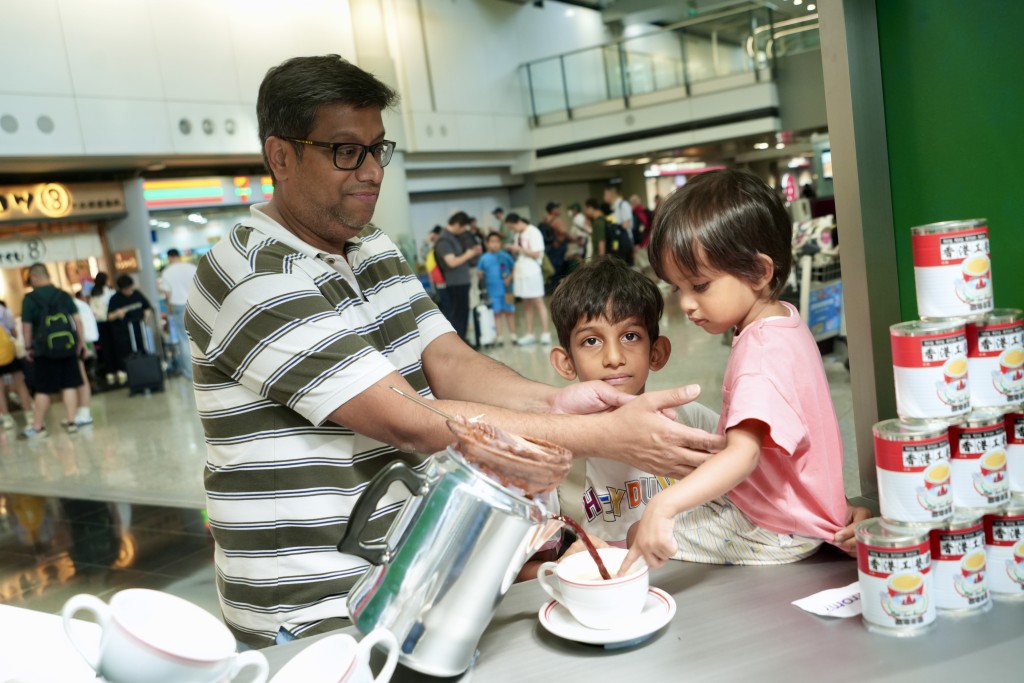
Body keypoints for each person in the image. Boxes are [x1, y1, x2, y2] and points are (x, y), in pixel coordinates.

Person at [186, 54, 722, 648]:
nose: (370, 172)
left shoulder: (370, 247)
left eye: (378, 149)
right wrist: (597, 436)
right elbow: (405, 419)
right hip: (311, 602)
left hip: (402, 573)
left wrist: (562, 401)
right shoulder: (252, 273)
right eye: (345, 150)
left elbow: (448, 361)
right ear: (280, 155)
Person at [621, 169, 866, 574]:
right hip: (798, 506)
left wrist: (664, 506)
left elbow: (744, 455)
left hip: (774, 526)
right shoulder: (781, 318)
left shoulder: (760, 356)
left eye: (699, 286)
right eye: (677, 288)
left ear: (759, 271)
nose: (684, 304)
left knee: (638, 534)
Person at [549, 257, 720, 547]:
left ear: (657, 353)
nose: (614, 358)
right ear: (566, 363)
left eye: (630, 336)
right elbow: (531, 561)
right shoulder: (559, 450)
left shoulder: (692, 423)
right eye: (591, 341)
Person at [19, 263, 84, 438]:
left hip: (44, 350)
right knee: (69, 384)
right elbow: (77, 321)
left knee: (43, 388)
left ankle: (38, 426)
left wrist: (27, 348)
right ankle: (71, 421)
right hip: (67, 347)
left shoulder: (30, 299)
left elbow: (27, 327)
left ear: (33, 278)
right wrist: (81, 342)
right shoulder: (63, 295)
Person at [505, 212, 552, 346]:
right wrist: (514, 249)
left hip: (532, 272)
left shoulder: (534, 232)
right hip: (521, 272)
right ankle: (530, 333)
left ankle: (545, 333)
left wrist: (519, 248)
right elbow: (519, 252)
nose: (512, 230)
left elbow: (537, 253)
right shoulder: (518, 235)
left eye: (512, 227)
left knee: (538, 301)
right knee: (526, 304)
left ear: (518, 221)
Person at [434, 211, 481, 341]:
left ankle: (463, 340)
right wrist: (469, 254)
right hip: (455, 283)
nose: (463, 231)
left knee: (463, 314)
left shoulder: (452, 237)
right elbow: (452, 262)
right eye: (463, 228)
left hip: (461, 282)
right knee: (458, 316)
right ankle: (460, 343)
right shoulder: (444, 240)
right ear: (457, 224)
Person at [108, 274, 153, 385]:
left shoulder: (137, 294)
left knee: (143, 350)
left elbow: (147, 307)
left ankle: (146, 374)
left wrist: (147, 314)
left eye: (130, 288)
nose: (129, 291)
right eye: (126, 289)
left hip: (140, 330)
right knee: (127, 355)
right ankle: (130, 377)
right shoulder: (115, 299)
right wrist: (117, 314)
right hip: (124, 333)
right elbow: (109, 317)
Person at [160, 248, 198, 380]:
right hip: (195, 303)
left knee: (184, 339)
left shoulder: (167, 272)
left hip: (178, 306)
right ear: (179, 256)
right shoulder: (191, 268)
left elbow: (167, 294)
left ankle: (190, 373)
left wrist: (169, 309)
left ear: (169, 257)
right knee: (199, 337)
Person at [476, 231, 516, 346]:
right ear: (487, 243)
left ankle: (513, 335)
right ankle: (499, 337)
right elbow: (480, 271)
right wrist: (480, 274)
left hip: (508, 290)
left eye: (497, 242)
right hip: (493, 292)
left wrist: (510, 277)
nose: (495, 244)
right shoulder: (484, 258)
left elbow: (514, 267)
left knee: (510, 312)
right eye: (492, 242)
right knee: (496, 313)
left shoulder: (505, 255)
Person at [0, 299, 34, 431]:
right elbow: (14, 331)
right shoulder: (3, 310)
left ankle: (6, 416)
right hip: (9, 352)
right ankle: (29, 413)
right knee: (20, 383)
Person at [71, 291, 96, 426]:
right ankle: (81, 412)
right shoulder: (78, 304)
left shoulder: (72, 305)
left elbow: (80, 323)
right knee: (80, 377)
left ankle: (84, 412)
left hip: (78, 344)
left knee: (80, 378)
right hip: (81, 342)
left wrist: (83, 344)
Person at [89, 272, 117, 386]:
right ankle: (119, 369)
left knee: (105, 347)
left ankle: (109, 372)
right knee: (115, 345)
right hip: (111, 320)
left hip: (99, 323)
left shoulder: (93, 293)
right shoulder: (110, 291)